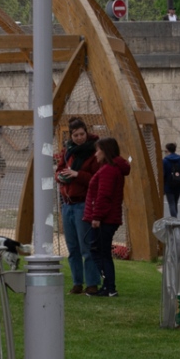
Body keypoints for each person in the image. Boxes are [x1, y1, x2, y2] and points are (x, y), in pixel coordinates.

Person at [55, 117, 101, 294]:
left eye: (82, 134)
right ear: (71, 135)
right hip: (67, 204)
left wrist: (77, 174)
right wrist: (60, 177)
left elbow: (96, 180)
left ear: (86, 132)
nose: (79, 138)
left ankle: (92, 283)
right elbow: (59, 170)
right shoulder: (68, 151)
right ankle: (77, 282)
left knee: (86, 246)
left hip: (83, 204)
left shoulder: (94, 152)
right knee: (72, 247)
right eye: (76, 135)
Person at [83, 136, 129, 298]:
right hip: (108, 218)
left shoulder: (109, 170)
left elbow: (104, 196)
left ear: (105, 151)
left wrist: (97, 217)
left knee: (100, 252)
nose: (96, 154)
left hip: (105, 219)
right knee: (100, 251)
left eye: (98, 150)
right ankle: (108, 286)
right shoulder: (111, 168)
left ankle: (109, 286)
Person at [162, 142, 180, 218]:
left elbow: (163, 174)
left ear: (167, 151)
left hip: (169, 184)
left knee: (171, 203)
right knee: (175, 202)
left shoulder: (165, 161)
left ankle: (174, 219)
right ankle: (175, 217)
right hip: (179, 183)